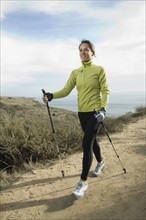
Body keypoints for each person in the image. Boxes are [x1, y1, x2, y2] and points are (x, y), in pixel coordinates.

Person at [43, 39, 110, 199]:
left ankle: (82, 182)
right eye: (81, 50)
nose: (83, 52)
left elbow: (105, 91)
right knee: (92, 141)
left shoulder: (99, 69)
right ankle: (100, 162)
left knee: (86, 144)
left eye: (86, 49)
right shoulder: (75, 73)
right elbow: (66, 90)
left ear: (92, 53)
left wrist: (103, 109)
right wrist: (51, 95)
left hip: (95, 113)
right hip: (82, 113)